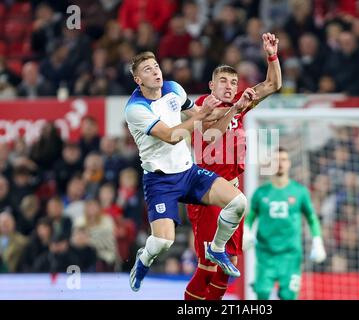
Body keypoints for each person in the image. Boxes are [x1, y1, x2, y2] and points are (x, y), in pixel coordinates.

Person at [125, 51, 256, 292]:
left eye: (156, 66)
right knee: (163, 242)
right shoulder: (136, 108)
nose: (155, 72)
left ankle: (217, 248)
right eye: (147, 70)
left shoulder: (174, 88)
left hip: (188, 172)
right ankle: (143, 260)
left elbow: (197, 117)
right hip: (160, 180)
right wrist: (203, 115)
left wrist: (235, 108)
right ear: (138, 80)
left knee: (238, 202)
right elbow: (172, 136)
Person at [184, 32, 282, 300]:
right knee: (208, 265)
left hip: (233, 195)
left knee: (231, 264)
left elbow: (273, 84)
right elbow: (211, 135)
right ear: (211, 85)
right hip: (206, 193)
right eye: (223, 81)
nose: (229, 86)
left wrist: (272, 55)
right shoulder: (203, 106)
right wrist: (235, 108)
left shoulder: (240, 103)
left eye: (234, 82)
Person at [245, 148, 326, 300]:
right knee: (261, 294)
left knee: (288, 296)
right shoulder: (260, 193)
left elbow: (312, 218)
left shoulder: (300, 191)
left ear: (289, 163)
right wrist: (246, 231)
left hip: (290, 255)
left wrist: (317, 241)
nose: (280, 164)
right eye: (276, 160)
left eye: (283, 160)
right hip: (265, 255)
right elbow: (250, 217)